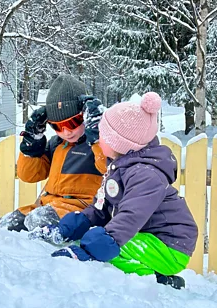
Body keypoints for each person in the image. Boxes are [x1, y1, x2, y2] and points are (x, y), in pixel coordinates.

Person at [34, 92, 198, 289]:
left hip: (170, 245)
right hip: (144, 235)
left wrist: (92, 249)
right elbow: (101, 208)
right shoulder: (119, 167)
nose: (97, 140)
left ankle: (160, 280)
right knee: (100, 242)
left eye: (103, 136)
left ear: (119, 143)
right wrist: (71, 227)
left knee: (111, 250)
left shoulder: (146, 175)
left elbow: (130, 217)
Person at [0, 74, 107, 232]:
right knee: (3, 226)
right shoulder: (56, 144)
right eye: (58, 126)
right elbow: (29, 175)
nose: (67, 132)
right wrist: (32, 144)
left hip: (80, 212)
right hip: (46, 206)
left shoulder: (97, 146)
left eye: (73, 123)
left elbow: (109, 167)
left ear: (86, 117)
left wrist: (98, 135)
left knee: (38, 220)